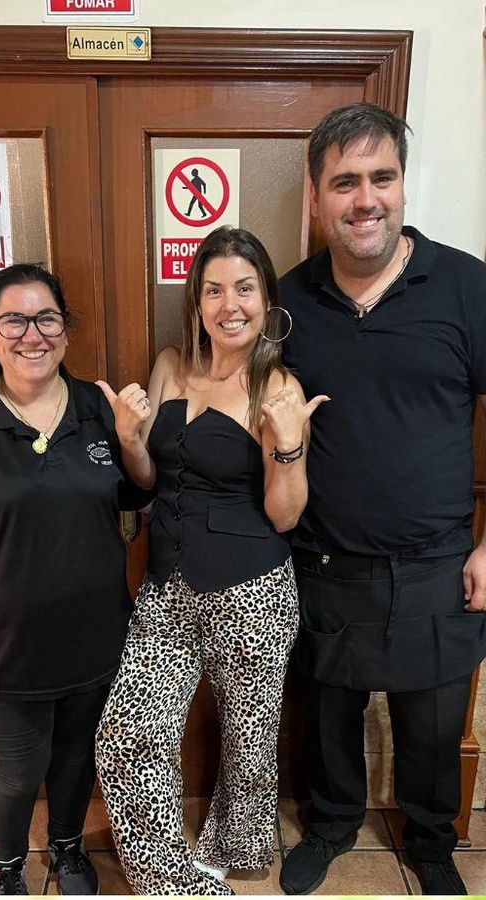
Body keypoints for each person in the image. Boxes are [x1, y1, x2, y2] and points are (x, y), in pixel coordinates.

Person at [276, 103, 486, 897]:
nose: (365, 199)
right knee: (328, 716)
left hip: (438, 562)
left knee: (432, 724)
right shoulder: (290, 302)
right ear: (316, 196)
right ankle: (331, 828)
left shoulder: (467, 286)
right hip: (325, 561)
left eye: (381, 178)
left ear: (401, 185)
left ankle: (432, 843)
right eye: (345, 183)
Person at [94, 227, 319, 895]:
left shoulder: (277, 386)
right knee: (126, 732)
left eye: (244, 289)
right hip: (166, 585)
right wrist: (132, 441)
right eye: (214, 289)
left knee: (249, 745)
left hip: (254, 592)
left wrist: (286, 444)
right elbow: (149, 477)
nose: (230, 305)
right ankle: (172, 881)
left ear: (266, 299)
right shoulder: (168, 365)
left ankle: (234, 844)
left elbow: (285, 514)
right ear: (196, 299)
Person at [0, 264, 153, 895]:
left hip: (95, 633)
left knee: (76, 757)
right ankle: (7, 863)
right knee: (18, 770)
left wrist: (130, 440)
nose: (32, 334)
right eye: (13, 320)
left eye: (46, 318)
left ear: (65, 330)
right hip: (3, 645)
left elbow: (136, 491)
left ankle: (68, 849)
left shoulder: (97, 409)